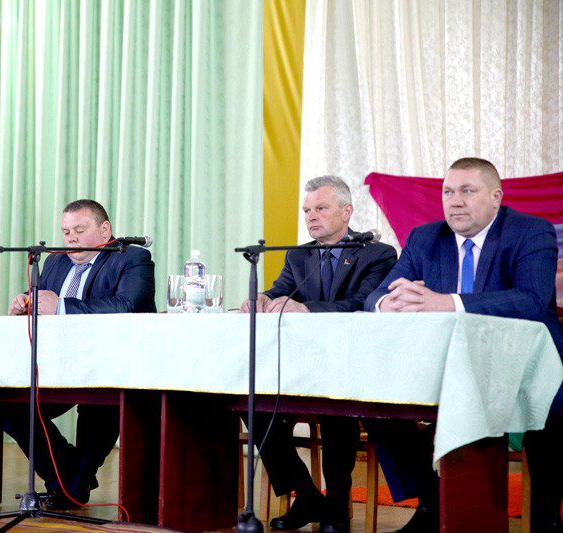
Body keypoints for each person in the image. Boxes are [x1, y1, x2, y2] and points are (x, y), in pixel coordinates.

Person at [365, 157, 563, 532]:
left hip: (525, 361)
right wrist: (387, 303)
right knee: (375, 399)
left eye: (467, 191)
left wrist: (447, 302)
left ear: (496, 197)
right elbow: (375, 295)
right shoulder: (426, 238)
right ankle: (431, 503)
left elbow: (532, 300)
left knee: (554, 402)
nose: (455, 200)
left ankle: (546, 517)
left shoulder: (530, 232)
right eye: (448, 192)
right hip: (444, 361)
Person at [240, 176, 397, 532]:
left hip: (352, 364)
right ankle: (307, 494)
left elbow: (365, 303)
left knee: (335, 407)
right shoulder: (299, 254)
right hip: (303, 365)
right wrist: (262, 298)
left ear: (347, 211)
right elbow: (282, 290)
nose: (311, 216)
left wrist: (307, 308)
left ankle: (338, 505)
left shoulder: (377, 254)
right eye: (307, 210)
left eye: (321, 208)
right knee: (253, 405)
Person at [4, 199, 156, 510]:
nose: (71, 238)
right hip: (57, 367)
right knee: (10, 406)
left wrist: (60, 305)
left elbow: (127, 306)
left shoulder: (132, 258)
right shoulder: (54, 262)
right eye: (66, 232)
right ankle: (69, 476)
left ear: (105, 230)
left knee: (100, 408)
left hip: (112, 368)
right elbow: (42, 304)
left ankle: (72, 483)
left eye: (80, 230)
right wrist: (26, 305)